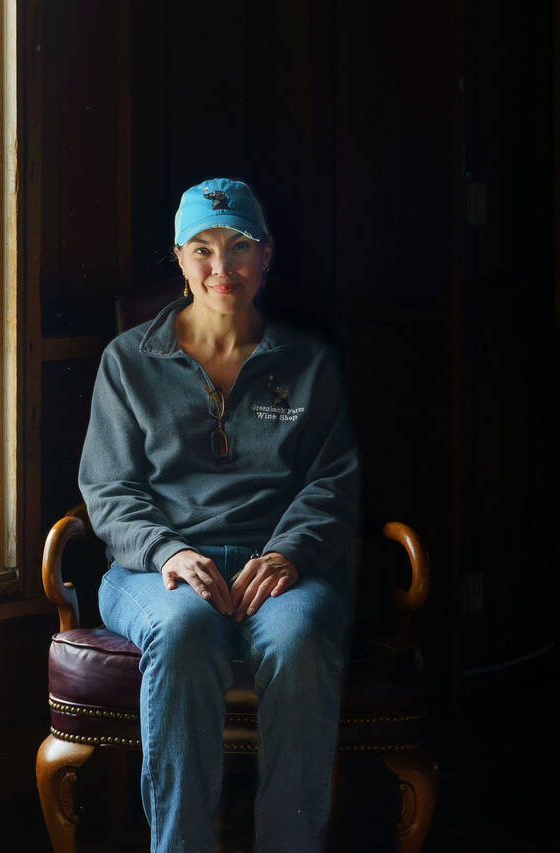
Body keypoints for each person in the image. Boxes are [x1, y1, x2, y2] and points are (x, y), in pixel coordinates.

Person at [77, 178, 360, 852]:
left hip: (278, 567)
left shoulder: (308, 362)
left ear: (266, 255)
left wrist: (290, 551)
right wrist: (170, 551)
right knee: (182, 632)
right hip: (154, 570)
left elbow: (333, 481)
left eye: (238, 248)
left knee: (297, 636)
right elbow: (109, 489)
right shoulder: (128, 362)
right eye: (202, 249)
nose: (220, 268)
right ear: (179, 259)